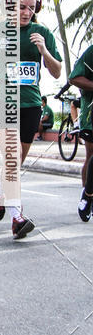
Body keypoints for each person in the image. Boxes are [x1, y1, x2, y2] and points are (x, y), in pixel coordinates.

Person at [0, 0, 62, 239]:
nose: (26, 12)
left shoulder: (42, 33)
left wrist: (44, 50)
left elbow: (57, 71)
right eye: (21, 7)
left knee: (15, 162)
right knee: (11, 157)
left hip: (31, 104)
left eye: (31, 8)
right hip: (1, 101)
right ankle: (17, 218)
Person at [68, 47, 93, 220]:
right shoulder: (91, 52)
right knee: (91, 155)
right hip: (91, 114)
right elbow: (74, 78)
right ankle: (88, 195)